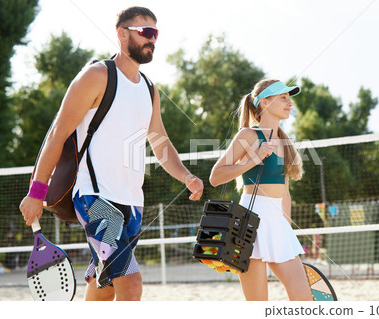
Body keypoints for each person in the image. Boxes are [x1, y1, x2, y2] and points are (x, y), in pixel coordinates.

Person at [19, 6, 204, 301]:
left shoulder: (150, 89)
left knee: (103, 286)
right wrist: (36, 191)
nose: (152, 40)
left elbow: (161, 142)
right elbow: (58, 134)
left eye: (155, 34)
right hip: (95, 198)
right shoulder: (96, 75)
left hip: (133, 203)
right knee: (130, 282)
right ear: (122, 34)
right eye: (146, 32)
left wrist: (186, 176)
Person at [209, 79, 313, 301]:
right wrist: (253, 159)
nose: (289, 103)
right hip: (250, 222)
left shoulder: (285, 141)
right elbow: (215, 177)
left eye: (289, 98)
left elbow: (285, 192)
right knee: (257, 304)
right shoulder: (248, 135)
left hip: (278, 225)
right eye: (283, 97)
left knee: (304, 299)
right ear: (264, 102)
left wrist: (286, 226)